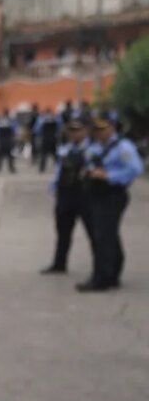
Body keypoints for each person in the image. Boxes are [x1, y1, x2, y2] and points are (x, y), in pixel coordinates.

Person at [77, 116, 145, 291]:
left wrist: (108, 175)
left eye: (102, 129)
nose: (98, 133)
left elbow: (136, 168)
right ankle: (112, 274)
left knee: (103, 237)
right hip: (97, 194)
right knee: (109, 235)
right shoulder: (97, 146)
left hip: (112, 194)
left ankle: (101, 279)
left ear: (112, 128)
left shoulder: (123, 146)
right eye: (96, 130)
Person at [41, 120, 93, 275]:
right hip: (65, 196)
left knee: (94, 233)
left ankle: (102, 269)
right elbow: (59, 171)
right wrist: (54, 187)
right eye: (72, 131)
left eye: (78, 130)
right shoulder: (64, 149)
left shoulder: (93, 149)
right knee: (62, 232)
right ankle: (59, 264)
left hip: (85, 196)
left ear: (85, 131)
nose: (75, 134)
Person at [35, 108, 61, 174]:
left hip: (45, 138)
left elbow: (37, 129)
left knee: (44, 154)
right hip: (53, 138)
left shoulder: (42, 119)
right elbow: (60, 128)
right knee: (54, 154)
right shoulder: (56, 119)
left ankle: (42, 168)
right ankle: (59, 167)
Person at [0, 109, 17, 174]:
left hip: (1, 140)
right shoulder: (11, 121)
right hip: (9, 140)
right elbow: (14, 131)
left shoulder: (0, 121)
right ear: (8, 113)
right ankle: (11, 168)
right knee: (10, 155)